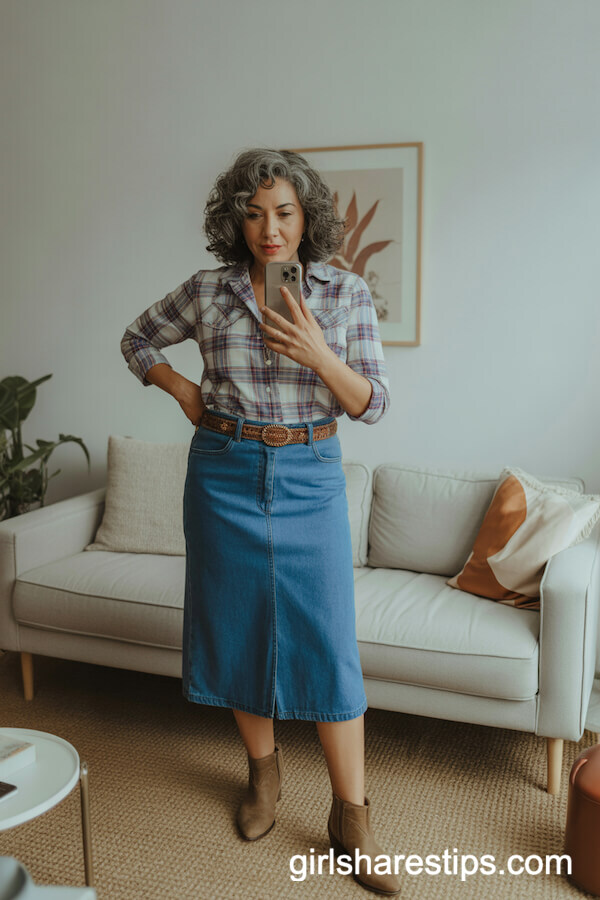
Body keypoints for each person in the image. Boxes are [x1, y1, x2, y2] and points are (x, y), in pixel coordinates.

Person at [120, 148, 400, 896]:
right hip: (223, 469)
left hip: (310, 475)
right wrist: (181, 387)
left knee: (328, 643)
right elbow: (135, 338)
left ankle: (352, 815)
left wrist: (318, 354)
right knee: (239, 628)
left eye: (282, 212)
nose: (268, 229)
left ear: (306, 217)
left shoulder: (342, 292)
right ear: (234, 219)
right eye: (252, 213)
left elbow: (371, 402)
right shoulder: (209, 292)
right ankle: (264, 776)